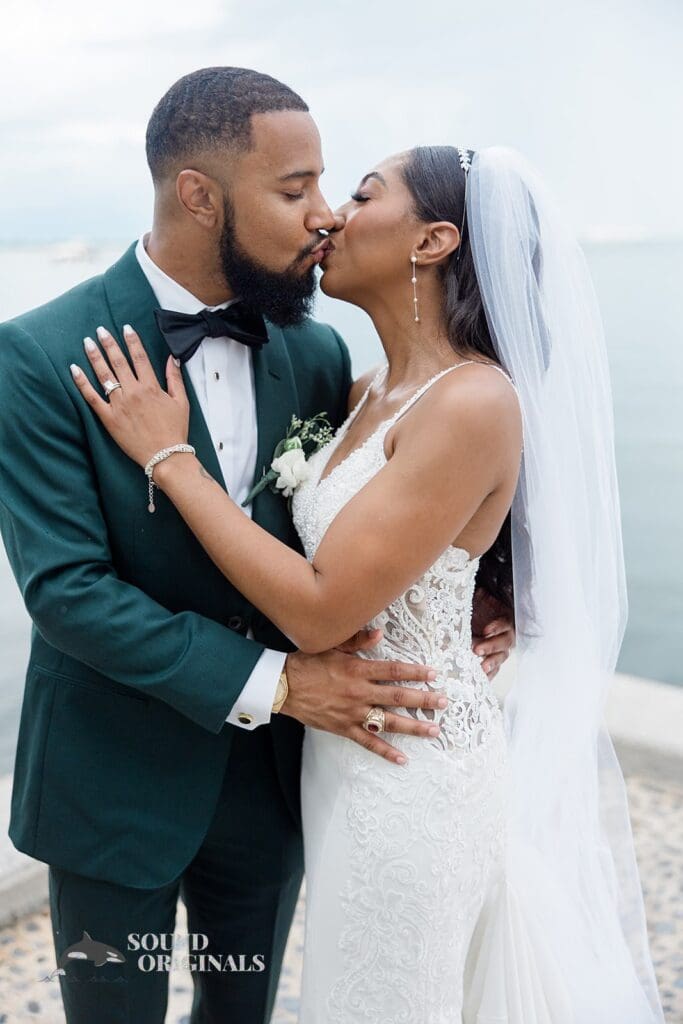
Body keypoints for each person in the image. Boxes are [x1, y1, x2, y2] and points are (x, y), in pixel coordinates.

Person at [71, 141, 665, 1022]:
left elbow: (318, 608)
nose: (330, 215)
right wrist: (479, 593)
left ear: (431, 242)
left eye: (359, 192)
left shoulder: (472, 401)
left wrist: (170, 457)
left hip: (410, 768)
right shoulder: (363, 390)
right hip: (343, 753)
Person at [0, 68, 514, 1024]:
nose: (322, 216)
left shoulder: (317, 355)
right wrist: (277, 683)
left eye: (332, 189)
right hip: (112, 789)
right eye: (294, 190)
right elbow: (66, 592)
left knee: (240, 1012)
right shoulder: (38, 352)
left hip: (274, 792)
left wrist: (483, 587)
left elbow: (388, 505)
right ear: (199, 195)